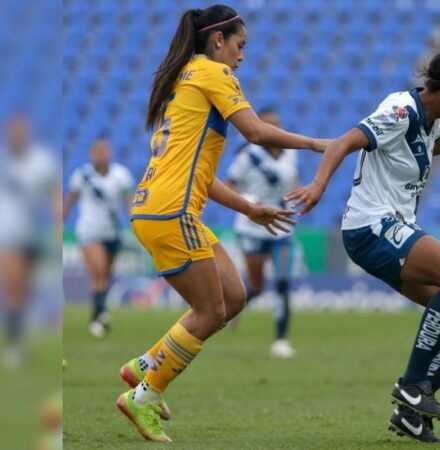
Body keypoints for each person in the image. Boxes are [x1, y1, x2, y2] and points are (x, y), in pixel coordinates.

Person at [288, 37, 440, 443]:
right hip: (370, 227)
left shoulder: (431, 122)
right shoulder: (400, 110)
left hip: (389, 229)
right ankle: (413, 385)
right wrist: (318, 185)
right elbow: (346, 141)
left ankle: (411, 416)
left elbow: (439, 144)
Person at [114, 5, 327, 443]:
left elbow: (204, 177)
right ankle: (144, 395)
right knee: (211, 311)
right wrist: (316, 143)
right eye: (239, 45)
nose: (241, 56)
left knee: (232, 296)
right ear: (217, 41)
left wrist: (250, 208)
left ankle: (142, 368)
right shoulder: (213, 74)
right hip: (171, 212)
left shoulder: (182, 80)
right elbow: (258, 133)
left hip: (163, 209)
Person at [225, 108, 298, 358]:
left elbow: (294, 183)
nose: (273, 129)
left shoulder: (290, 155)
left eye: (276, 124)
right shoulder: (248, 156)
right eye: (268, 125)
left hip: (282, 227)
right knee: (256, 286)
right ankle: (233, 310)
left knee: (283, 283)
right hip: (252, 228)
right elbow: (229, 185)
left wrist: (298, 201)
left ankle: (281, 339)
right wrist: (248, 202)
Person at [0, 115, 59, 368]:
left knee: (24, 292)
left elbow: (53, 193)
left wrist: (58, 222)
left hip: (32, 234)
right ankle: (15, 347)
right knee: (15, 290)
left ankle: (20, 341)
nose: (16, 136)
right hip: (7, 234)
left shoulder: (41, 162)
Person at [64, 139, 134, 337]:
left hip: (112, 231)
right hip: (89, 230)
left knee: (106, 275)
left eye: (104, 151)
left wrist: (135, 224)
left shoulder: (121, 175)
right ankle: (97, 318)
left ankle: (100, 313)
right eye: (97, 151)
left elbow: (129, 202)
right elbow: (69, 202)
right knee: (98, 272)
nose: (101, 155)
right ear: (91, 154)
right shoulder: (81, 176)